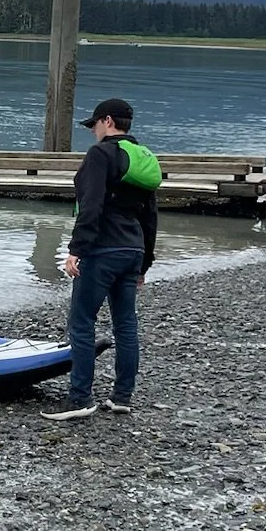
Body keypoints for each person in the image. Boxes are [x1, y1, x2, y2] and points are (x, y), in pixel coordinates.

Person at [42, 97, 159, 421]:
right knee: (126, 325)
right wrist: (145, 262)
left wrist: (75, 249)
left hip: (102, 250)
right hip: (132, 251)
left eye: (94, 124)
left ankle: (80, 399)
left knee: (81, 323)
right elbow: (150, 216)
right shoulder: (143, 158)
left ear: (107, 121)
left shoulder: (101, 154)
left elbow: (90, 206)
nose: (92, 131)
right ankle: (122, 397)